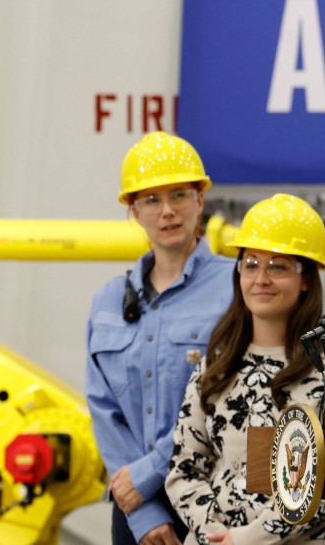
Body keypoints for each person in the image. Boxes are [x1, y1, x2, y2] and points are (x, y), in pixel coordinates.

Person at [166, 194, 325, 544]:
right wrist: (215, 534)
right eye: (250, 264)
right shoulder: (218, 362)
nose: (261, 278)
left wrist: (248, 538)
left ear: (306, 278)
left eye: (277, 266)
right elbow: (184, 467)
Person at [86, 132, 235, 545]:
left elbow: (227, 397)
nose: (167, 211)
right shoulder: (107, 300)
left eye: (179, 195)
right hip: (135, 510)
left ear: (200, 200)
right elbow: (103, 410)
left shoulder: (238, 287)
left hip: (214, 500)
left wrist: (148, 473)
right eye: (152, 200)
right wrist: (142, 511)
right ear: (134, 211)